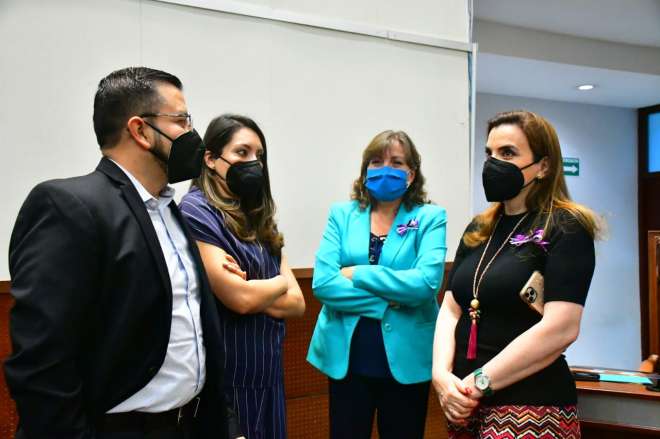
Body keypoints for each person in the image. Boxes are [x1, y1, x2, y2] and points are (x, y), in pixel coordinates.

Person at [4, 67, 241, 439]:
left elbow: (197, 333)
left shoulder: (170, 211)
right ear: (141, 130)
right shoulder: (67, 205)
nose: (191, 133)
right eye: (182, 120)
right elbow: (42, 364)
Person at [432, 110, 600, 438]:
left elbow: (561, 327)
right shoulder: (479, 228)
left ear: (544, 166)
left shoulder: (566, 226)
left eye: (507, 153)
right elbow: (451, 309)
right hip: (464, 403)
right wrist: (441, 377)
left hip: (531, 406)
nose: (494, 163)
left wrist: (479, 383)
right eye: (490, 153)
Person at [307, 130, 447, 439]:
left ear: (411, 174)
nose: (385, 169)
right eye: (376, 161)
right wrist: (389, 300)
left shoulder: (430, 218)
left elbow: (425, 284)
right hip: (347, 357)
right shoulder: (342, 215)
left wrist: (358, 273)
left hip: (407, 358)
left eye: (396, 162)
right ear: (365, 169)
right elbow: (324, 284)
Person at [180, 114, 305, 439]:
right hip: (228, 381)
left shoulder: (257, 216)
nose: (253, 163)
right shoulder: (196, 210)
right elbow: (241, 299)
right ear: (211, 159)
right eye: (242, 152)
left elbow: (298, 303)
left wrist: (255, 289)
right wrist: (280, 283)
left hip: (269, 375)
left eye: (259, 156)